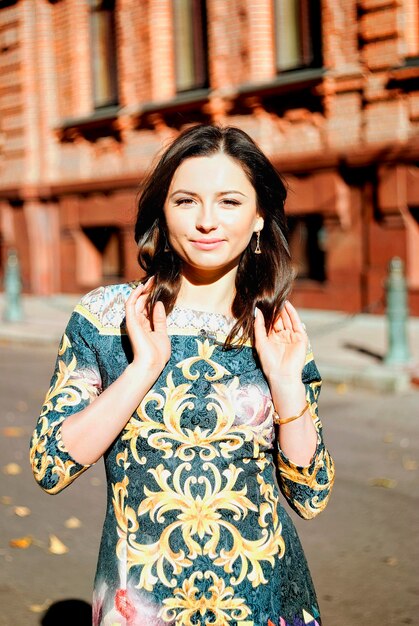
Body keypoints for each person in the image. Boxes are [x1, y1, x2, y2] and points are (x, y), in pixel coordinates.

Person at [30, 125, 335, 626]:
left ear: (259, 217)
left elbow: (311, 494)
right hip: (142, 606)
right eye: (187, 201)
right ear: (163, 212)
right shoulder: (107, 318)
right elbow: (50, 467)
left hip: (265, 601)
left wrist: (285, 385)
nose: (207, 222)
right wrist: (143, 367)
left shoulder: (275, 329)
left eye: (230, 202)